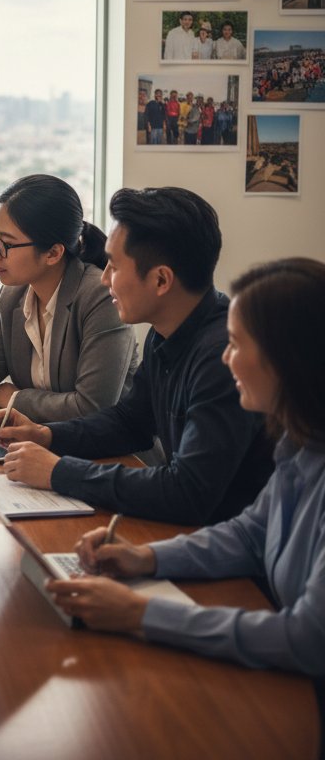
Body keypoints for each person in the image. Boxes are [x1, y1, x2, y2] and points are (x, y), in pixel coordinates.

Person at [46, 258, 325, 731]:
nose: (224, 357)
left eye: (237, 345)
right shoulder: (302, 442)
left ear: (288, 359)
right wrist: (144, 558)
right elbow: (249, 535)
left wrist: (143, 613)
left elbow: (305, 639)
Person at [0, 187, 275, 525]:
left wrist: (59, 472)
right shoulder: (167, 331)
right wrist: (47, 435)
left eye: (114, 265)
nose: (105, 278)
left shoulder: (223, 357)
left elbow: (188, 491)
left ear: (161, 280)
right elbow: (131, 423)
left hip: (235, 555)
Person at [0, 175, 137, 422]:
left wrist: (14, 399)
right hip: (36, 445)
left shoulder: (100, 296)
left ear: (53, 253)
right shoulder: (13, 295)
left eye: (6, 244)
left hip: (111, 455)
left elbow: (91, 408)